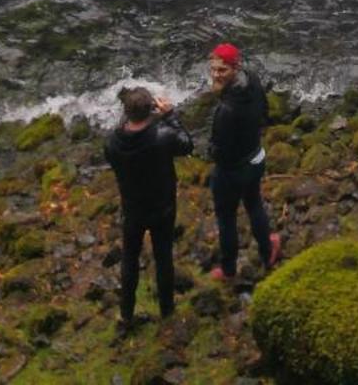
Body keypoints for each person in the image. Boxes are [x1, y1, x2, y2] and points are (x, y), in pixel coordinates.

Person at [104, 85, 193, 334]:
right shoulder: (162, 136)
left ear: (126, 113)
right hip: (162, 207)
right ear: (151, 109)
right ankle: (167, 310)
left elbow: (117, 149)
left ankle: (126, 313)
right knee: (164, 258)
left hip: (132, 208)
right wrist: (171, 116)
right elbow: (187, 145)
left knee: (129, 260)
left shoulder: (112, 143)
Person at [207, 42, 281, 280]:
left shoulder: (226, 111)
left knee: (227, 218)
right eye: (214, 69)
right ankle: (268, 250)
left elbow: (217, 152)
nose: (217, 74)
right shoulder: (252, 79)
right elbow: (265, 112)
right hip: (255, 157)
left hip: (232, 171)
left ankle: (228, 269)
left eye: (222, 70)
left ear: (234, 68)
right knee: (254, 204)